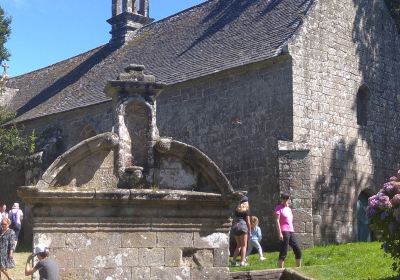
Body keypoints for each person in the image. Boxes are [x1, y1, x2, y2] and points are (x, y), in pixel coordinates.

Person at [274, 193, 302, 268]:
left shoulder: (289, 209)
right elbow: (277, 221)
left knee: (298, 250)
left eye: (287, 198)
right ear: (282, 199)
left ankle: (299, 269)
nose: (285, 200)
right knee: (284, 252)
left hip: (291, 231)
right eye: (284, 198)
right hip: (284, 231)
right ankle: (280, 271)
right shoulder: (278, 208)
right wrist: (280, 233)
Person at [231, 196, 251, 266]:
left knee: (238, 245)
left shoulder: (237, 210)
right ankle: (242, 262)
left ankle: (233, 260)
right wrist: (250, 230)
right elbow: (248, 222)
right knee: (244, 246)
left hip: (235, 227)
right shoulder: (246, 210)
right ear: (246, 202)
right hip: (243, 227)